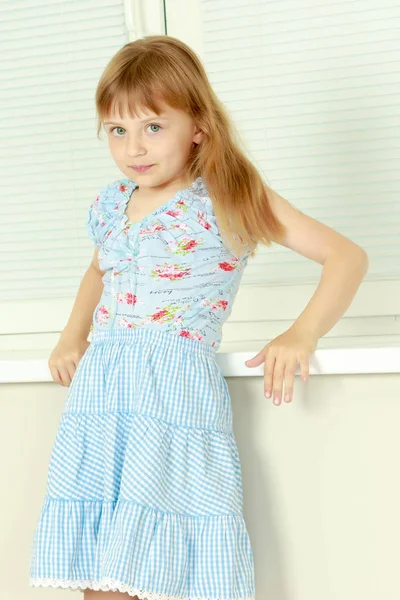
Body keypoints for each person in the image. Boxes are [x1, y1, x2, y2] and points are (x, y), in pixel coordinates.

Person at [29, 35, 368, 600]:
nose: (134, 147)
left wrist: (301, 332)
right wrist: (72, 335)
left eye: (153, 127)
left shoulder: (229, 196)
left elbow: (346, 257)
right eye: (118, 130)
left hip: (172, 395)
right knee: (101, 573)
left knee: (162, 571)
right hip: (103, 396)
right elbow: (99, 271)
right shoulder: (110, 204)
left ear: (198, 127)